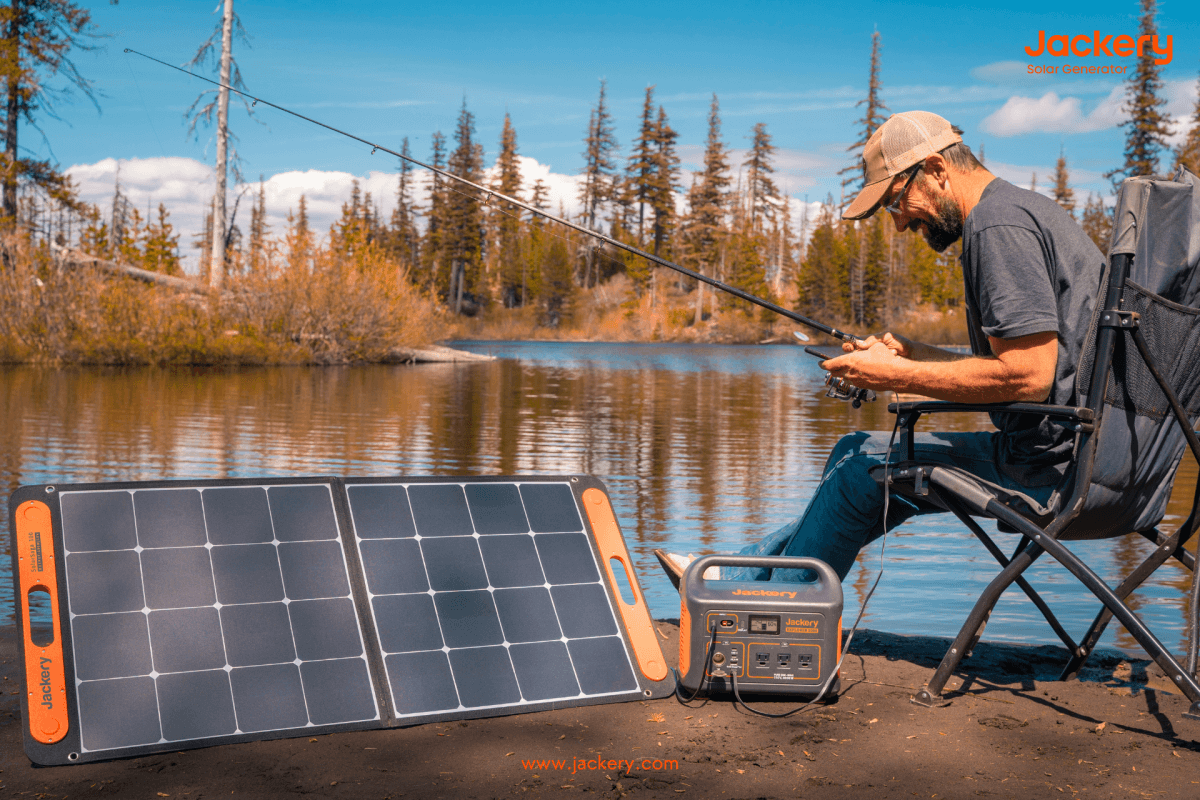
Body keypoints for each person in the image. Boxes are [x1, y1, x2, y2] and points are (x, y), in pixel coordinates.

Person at [655, 110, 1104, 587]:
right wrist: (913, 356)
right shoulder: (1018, 212)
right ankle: (743, 573)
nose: (899, 224)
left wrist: (892, 378)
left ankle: (776, 604)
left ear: (935, 170)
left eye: (895, 202)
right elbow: (1031, 371)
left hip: (1053, 470)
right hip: (1089, 461)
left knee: (861, 472)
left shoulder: (997, 227)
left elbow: (1029, 378)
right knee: (857, 451)